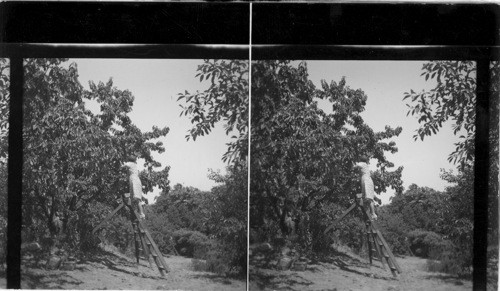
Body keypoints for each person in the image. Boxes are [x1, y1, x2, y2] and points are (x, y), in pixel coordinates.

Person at [354, 156, 378, 220]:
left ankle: (373, 214)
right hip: (365, 181)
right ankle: (369, 213)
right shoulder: (365, 165)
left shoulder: (363, 164)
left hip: (367, 181)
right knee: (365, 198)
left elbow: (355, 166)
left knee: (369, 198)